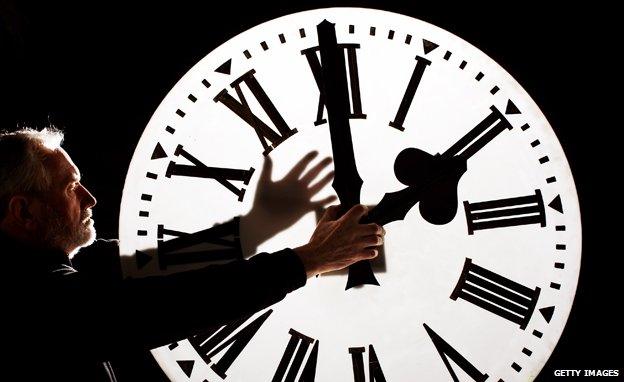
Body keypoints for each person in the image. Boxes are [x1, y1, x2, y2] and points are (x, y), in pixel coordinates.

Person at [0, 127, 384, 381]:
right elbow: (175, 301)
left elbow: (159, 262)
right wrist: (308, 260)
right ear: (24, 212)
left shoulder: (51, 277)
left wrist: (258, 226)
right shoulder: (39, 298)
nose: (91, 199)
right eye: (70, 188)